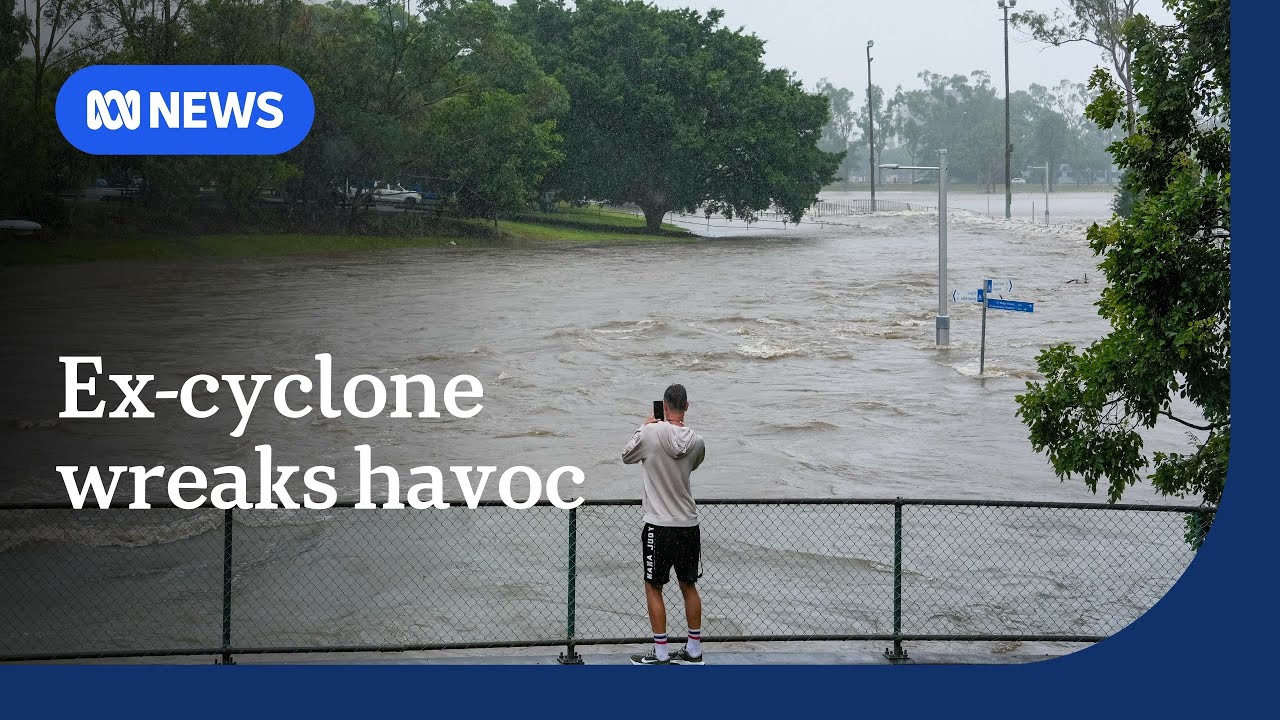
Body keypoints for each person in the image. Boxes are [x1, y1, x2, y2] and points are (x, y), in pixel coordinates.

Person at [622, 383, 707, 665]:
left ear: (664, 406)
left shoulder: (650, 433)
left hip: (658, 525)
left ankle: (660, 652)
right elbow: (692, 466)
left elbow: (627, 455)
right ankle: (693, 649)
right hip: (688, 523)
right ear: (687, 406)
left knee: (654, 586)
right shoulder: (697, 441)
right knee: (688, 585)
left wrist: (644, 425)